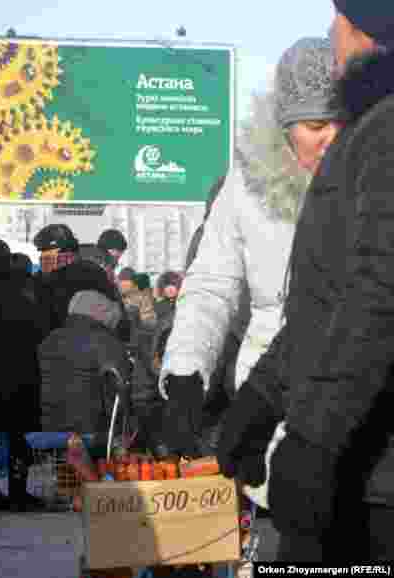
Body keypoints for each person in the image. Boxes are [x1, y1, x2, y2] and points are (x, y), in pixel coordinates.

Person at [218, 6, 394, 561]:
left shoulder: (385, 133)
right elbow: (326, 305)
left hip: (374, 477)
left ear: (358, 27)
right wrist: (261, 399)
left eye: (338, 19)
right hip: (354, 465)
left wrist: (313, 440)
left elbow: (379, 297)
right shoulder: (370, 131)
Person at [160, 37, 341, 464]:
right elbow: (211, 283)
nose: (330, 138)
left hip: (355, 399)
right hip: (268, 404)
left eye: (339, 122)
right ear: (284, 128)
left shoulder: (371, 177)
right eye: (315, 126)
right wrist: (188, 370)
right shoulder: (247, 184)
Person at [0, 238, 45, 512]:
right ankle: (18, 492)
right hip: (22, 376)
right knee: (19, 439)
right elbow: (38, 331)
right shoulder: (24, 292)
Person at [37, 291, 133, 438]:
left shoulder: (49, 340)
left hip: (50, 429)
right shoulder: (107, 343)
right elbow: (119, 396)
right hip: (93, 433)